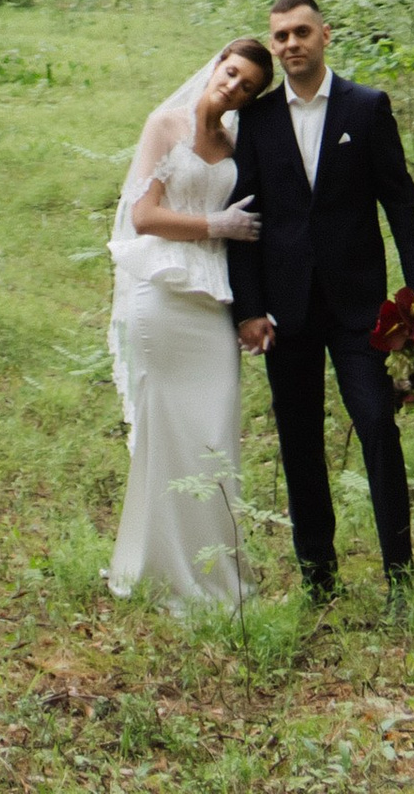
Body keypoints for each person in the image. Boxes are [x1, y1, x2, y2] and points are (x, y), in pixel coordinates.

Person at [227, 0, 414, 602]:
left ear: (324, 35)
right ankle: (319, 578)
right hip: (284, 310)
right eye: (279, 37)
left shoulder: (367, 108)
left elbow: (400, 202)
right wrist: (248, 308)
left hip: (359, 308)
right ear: (273, 46)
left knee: (376, 424)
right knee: (299, 441)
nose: (290, 44)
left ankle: (400, 573)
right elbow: (245, 219)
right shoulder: (258, 120)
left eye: (300, 33)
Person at [105, 36, 273, 615]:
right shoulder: (166, 125)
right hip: (166, 296)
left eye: (247, 85)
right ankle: (158, 569)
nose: (233, 86)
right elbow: (143, 216)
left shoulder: (234, 144)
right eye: (231, 72)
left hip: (213, 306)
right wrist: (213, 225)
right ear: (215, 65)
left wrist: (255, 307)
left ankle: (215, 571)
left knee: (215, 437)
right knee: (165, 436)